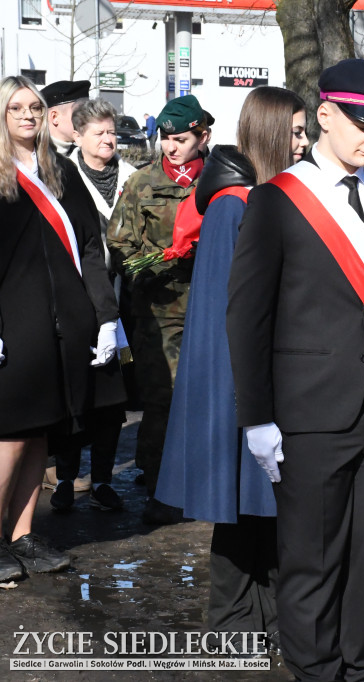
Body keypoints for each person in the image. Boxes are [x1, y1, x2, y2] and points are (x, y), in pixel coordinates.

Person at [225, 59, 364, 681]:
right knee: (312, 560)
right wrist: (257, 417)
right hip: (309, 412)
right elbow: (247, 317)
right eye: (363, 123)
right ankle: (315, 671)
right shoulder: (277, 201)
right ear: (327, 116)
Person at [155, 86, 308, 652]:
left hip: (268, 373)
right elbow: (225, 308)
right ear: (269, 133)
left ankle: (265, 615)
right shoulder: (233, 203)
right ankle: (232, 622)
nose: (303, 141)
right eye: (293, 132)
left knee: (265, 505)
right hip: (237, 380)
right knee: (241, 505)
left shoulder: (262, 196)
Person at [0, 75, 122, 579]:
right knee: (9, 434)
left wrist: (108, 318)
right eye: (16, 108)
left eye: (34, 106)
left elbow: (93, 252)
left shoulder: (63, 176)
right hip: (15, 323)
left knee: (40, 436)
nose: (28, 115)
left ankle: (23, 535)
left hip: (65, 325)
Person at [107, 94, 211, 525]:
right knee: (162, 401)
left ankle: (205, 483)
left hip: (211, 310)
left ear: (203, 137)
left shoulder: (220, 182)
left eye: (181, 138)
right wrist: (165, 259)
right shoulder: (142, 184)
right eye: (166, 138)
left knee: (208, 400)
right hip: (160, 311)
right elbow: (120, 244)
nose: (171, 147)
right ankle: (159, 487)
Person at [46, 97, 137, 512]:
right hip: (78, 294)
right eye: (98, 133)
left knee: (110, 397)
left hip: (123, 296)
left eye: (112, 132)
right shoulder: (61, 177)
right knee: (73, 388)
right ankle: (66, 477)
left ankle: (101, 479)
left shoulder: (134, 177)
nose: (108, 139)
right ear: (77, 136)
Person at [40, 80, 90, 157]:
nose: (88, 119)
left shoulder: (84, 158)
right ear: (55, 117)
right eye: (80, 112)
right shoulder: (32, 158)